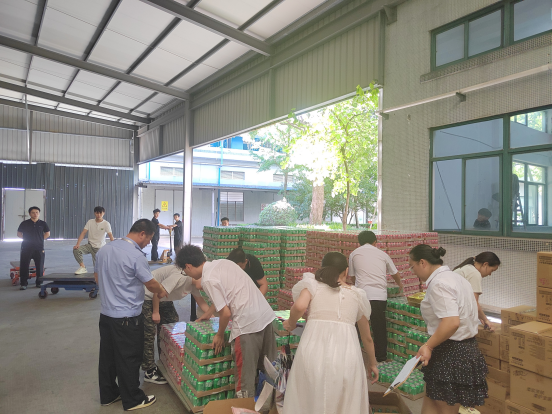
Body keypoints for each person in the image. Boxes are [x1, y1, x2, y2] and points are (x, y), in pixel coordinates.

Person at [283, 252, 378, 414]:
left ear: (323, 269)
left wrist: (291, 323)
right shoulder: (357, 295)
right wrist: (373, 363)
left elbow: (299, 306)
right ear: (346, 271)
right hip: (347, 354)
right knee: (345, 402)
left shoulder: (313, 286)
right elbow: (367, 338)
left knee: (309, 397)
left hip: (313, 351)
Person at [178, 244, 276, 398]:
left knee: (245, 379)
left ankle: (244, 406)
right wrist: (208, 313)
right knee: (270, 369)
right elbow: (228, 294)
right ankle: (270, 403)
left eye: (184, 271)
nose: (186, 274)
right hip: (266, 316)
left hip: (247, 325)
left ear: (188, 266)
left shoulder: (208, 279)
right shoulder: (224, 263)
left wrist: (219, 335)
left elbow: (225, 313)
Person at [95, 219, 169, 411]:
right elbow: (150, 283)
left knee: (108, 357)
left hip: (106, 315)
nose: (148, 243)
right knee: (129, 358)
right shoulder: (136, 256)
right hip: (127, 318)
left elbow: (97, 277)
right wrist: (161, 290)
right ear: (142, 233)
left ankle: (109, 394)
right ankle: (133, 399)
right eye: (149, 239)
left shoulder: (104, 250)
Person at [409, 245, 487, 414]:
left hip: (450, 353)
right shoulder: (457, 278)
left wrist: (428, 346)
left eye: (412, 266)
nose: (413, 271)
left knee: (445, 407)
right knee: (432, 400)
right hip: (463, 350)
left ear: (422, 263)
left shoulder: (439, 283)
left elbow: (451, 322)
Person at [141, 253, 210, 385]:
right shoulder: (180, 277)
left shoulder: (194, 283)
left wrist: (214, 318)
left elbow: (202, 304)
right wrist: (155, 312)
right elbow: (157, 293)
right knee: (149, 332)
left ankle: (164, 358)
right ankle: (149, 370)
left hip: (164, 298)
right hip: (148, 297)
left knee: (171, 324)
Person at [349, 230, 403, 362]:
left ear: (359, 242)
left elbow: (352, 276)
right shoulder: (382, 254)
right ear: (375, 242)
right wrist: (400, 285)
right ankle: (381, 356)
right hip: (379, 296)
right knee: (379, 326)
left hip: (361, 295)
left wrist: (358, 285)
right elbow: (395, 273)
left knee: (358, 326)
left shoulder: (354, 254)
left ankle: (353, 354)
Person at [453, 252, 501, 331]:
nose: (490, 274)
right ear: (485, 264)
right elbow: (474, 303)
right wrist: (486, 320)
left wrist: (479, 316)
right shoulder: (474, 273)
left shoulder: (466, 268)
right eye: (491, 271)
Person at [73, 206, 114, 274]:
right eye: (97, 213)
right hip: (90, 245)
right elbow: (83, 233)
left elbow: (110, 235)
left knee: (97, 270)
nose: (99, 215)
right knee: (76, 250)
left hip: (99, 248)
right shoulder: (90, 222)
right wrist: (78, 244)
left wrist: (114, 246)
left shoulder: (106, 224)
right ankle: (83, 267)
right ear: (94, 213)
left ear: (103, 213)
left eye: (100, 213)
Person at [17, 206, 50, 290]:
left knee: (39, 266)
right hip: (26, 247)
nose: (35, 214)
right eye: (33, 212)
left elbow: (47, 233)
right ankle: (23, 284)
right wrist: (26, 239)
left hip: (39, 248)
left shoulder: (43, 224)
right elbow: (19, 233)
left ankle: (39, 282)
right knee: (24, 265)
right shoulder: (24, 223)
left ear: (39, 214)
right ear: (29, 214)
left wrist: (40, 239)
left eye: (37, 212)